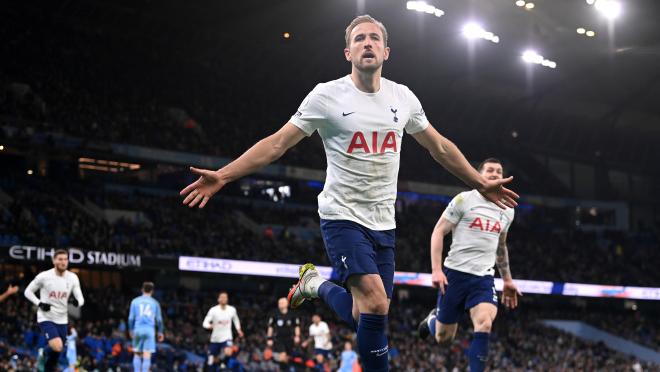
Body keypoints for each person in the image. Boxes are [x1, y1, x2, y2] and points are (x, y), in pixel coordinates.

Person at [179, 14, 518, 371]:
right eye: (359, 39)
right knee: (374, 303)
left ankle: (315, 285)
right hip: (341, 216)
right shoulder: (326, 96)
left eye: (374, 38)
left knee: (366, 314)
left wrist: (479, 182)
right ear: (347, 52)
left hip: (383, 223)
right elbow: (277, 144)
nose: (367, 43)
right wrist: (223, 175)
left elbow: (440, 148)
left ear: (387, 51)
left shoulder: (402, 98)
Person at [417, 158, 523, 372]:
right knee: (443, 339)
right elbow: (438, 231)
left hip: (483, 278)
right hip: (454, 275)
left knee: (485, 322)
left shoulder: (507, 210)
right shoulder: (464, 200)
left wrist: (508, 280)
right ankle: (433, 320)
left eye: (499, 171)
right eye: (489, 170)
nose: (494, 174)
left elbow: (500, 247)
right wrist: (436, 270)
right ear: (479, 175)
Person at [24, 249, 85, 372]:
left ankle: (46, 365)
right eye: (60, 259)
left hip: (62, 319)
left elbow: (81, 298)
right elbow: (27, 292)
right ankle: (43, 351)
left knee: (57, 351)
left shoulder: (73, 277)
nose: (63, 262)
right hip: (46, 317)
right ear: (54, 261)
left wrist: (77, 302)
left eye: (66, 259)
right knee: (57, 346)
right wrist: (40, 303)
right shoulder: (44, 276)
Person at [202, 291, 244, 371]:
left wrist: (239, 330)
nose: (224, 299)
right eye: (222, 297)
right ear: (218, 299)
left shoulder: (232, 310)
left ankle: (222, 363)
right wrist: (209, 326)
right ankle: (215, 364)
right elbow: (205, 323)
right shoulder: (213, 310)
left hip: (227, 337)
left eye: (226, 297)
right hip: (215, 338)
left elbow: (236, 320)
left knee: (228, 352)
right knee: (210, 360)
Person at [128, 281, 164, 372]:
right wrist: (160, 331)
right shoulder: (155, 303)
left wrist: (130, 329)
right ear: (152, 291)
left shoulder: (135, 301)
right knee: (147, 355)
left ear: (142, 290)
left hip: (138, 329)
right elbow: (159, 320)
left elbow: (131, 318)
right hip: (149, 330)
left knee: (137, 354)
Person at [266, 297, 301, 370]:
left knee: (287, 358)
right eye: (279, 303)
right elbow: (270, 327)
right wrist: (269, 338)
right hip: (279, 339)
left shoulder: (293, 314)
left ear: (287, 304)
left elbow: (297, 326)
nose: (280, 304)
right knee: (282, 356)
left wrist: (297, 336)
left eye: (282, 303)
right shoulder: (274, 314)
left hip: (289, 339)